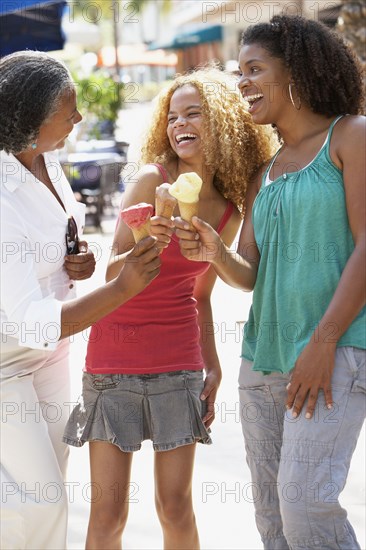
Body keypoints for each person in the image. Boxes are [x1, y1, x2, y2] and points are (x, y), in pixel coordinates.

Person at [174, 15, 365, 550]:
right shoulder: (270, 169)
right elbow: (251, 273)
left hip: (335, 350)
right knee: (274, 520)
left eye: (255, 69)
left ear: (297, 72)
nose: (244, 84)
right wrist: (216, 252)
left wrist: (323, 343)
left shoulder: (351, 136)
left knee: (306, 506)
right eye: (240, 73)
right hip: (263, 362)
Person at [63, 66, 273, 549]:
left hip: (179, 367)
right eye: (173, 116)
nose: (180, 124)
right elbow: (111, 273)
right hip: (113, 362)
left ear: (223, 122)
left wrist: (212, 368)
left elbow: (200, 298)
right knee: (109, 515)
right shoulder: (150, 181)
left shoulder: (228, 209)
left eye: (193, 114)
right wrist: (145, 243)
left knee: (175, 508)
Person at [0, 51, 160, 550]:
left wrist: (77, 259)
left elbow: (57, 233)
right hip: (7, 363)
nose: (79, 118)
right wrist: (121, 288)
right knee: (40, 500)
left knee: (41, 494)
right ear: (30, 120)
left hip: (51, 355)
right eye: (67, 111)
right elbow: (29, 322)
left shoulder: (46, 161)